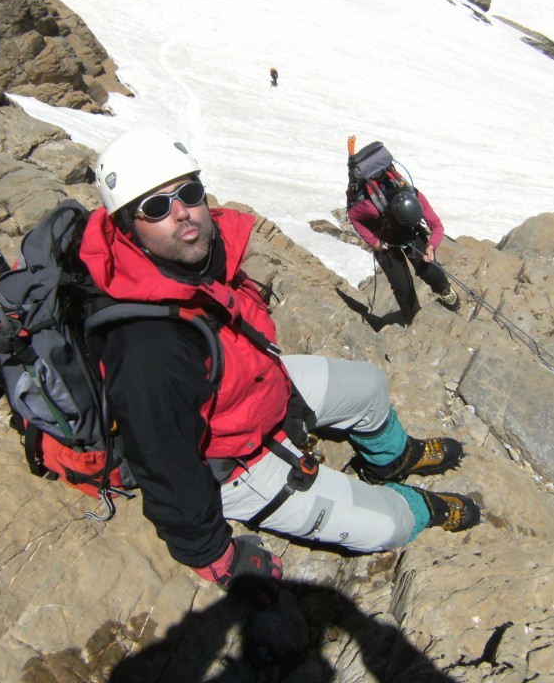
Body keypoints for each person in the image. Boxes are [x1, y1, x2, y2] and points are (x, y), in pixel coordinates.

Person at [79, 127, 481, 605]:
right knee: (389, 525)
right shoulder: (148, 349)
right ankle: (418, 506)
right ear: (127, 227)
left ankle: (391, 459)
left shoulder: (199, 258)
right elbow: (165, 465)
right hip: (235, 461)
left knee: (370, 385)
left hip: (250, 386)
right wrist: (216, 557)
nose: (182, 212)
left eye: (188, 192)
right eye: (156, 207)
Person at [346, 143, 460, 325]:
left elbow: (436, 225)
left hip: (410, 234)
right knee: (402, 286)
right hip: (385, 241)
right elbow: (353, 217)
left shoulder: (414, 195)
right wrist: (374, 242)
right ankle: (413, 318)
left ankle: (443, 288)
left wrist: (431, 246)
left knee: (430, 271)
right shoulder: (370, 207)